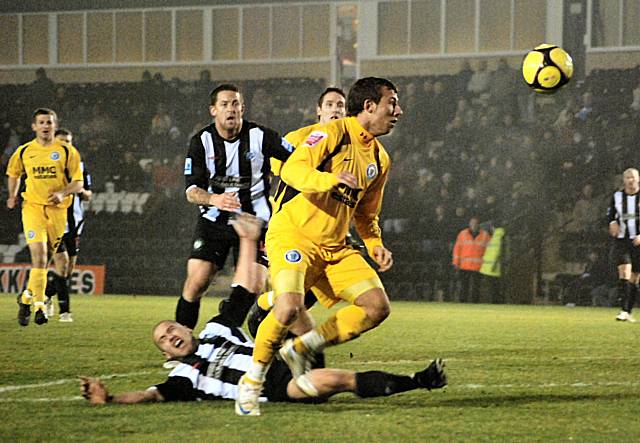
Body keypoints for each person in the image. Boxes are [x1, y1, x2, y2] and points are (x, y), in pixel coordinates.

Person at [80, 213, 447, 408]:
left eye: (171, 329)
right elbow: (151, 396)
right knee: (331, 381)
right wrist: (111, 399)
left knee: (286, 305)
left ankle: (286, 315)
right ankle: (419, 381)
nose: (172, 335)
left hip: (281, 353)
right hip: (280, 385)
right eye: (164, 339)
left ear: (186, 329)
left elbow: (241, 291)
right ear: (165, 353)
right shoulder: (185, 378)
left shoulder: (214, 331)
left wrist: (248, 240)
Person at [236, 77, 401, 416]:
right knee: (287, 309)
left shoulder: (380, 159)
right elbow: (294, 169)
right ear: (369, 106)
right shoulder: (331, 134)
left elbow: (367, 213)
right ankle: (251, 383)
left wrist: (374, 243)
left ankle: (303, 347)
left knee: (376, 307)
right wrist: (329, 179)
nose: (398, 110)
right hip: (293, 235)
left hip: (334, 247)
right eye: (392, 103)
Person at [175, 84, 294, 329]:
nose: (231, 109)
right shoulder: (201, 141)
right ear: (213, 110)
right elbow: (191, 191)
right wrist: (213, 199)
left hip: (255, 222)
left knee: (253, 285)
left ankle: (223, 328)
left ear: (243, 108)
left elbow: (298, 160)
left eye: (235, 104)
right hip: (214, 221)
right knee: (196, 282)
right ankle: (182, 348)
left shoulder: (261, 136)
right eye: (225, 104)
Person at [248, 87, 348, 336]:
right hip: (292, 224)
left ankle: (270, 306)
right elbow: (283, 173)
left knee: (325, 285)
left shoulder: (349, 146)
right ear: (318, 110)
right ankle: (270, 313)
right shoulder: (298, 138)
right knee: (293, 288)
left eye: (340, 105)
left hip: (324, 228)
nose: (335, 110)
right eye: (330, 105)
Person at [6, 108, 84, 326]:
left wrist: (62, 192)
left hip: (58, 213)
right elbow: (13, 173)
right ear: (34, 126)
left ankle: (25, 298)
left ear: (54, 125)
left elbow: (78, 183)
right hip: (32, 208)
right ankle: (40, 306)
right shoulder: (24, 151)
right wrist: (12, 195)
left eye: (49, 122)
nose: (45, 126)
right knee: (39, 257)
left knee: (46, 259)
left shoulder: (68, 152)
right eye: (41, 122)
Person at [44, 128, 93, 322]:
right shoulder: (46, 165)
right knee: (62, 265)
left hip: (75, 224)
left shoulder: (79, 165)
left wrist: (80, 191)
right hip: (55, 222)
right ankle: (65, 312)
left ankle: (46, 296)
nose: (66, 145)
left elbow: (89, 194)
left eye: (69, 141)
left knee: (68, 270)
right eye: (62, 141)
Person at [607, 168, 640, 322]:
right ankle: (623, 311)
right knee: (625, 271)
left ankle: (628, 310)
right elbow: (609, 215)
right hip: (622, 240)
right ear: (623, 180)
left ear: (638, 179)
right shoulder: (617, 196)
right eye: (627, 177)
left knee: (635, 277)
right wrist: (612, 222)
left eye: (633, 177)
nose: (630, 180)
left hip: (638, 241)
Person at [452, 216, 491, 303]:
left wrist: (486, 265)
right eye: (472, 223)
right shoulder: (462, 234)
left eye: (475, 223)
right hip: (465, 266)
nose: (474, 225)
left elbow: (489, 251)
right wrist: (456, 263)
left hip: (478, 267)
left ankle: (475, 303)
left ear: (478, 224)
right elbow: (457, 249)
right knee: (464, 286)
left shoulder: (485, 235)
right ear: (469, 224)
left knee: (476, 287)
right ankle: (462, 302)